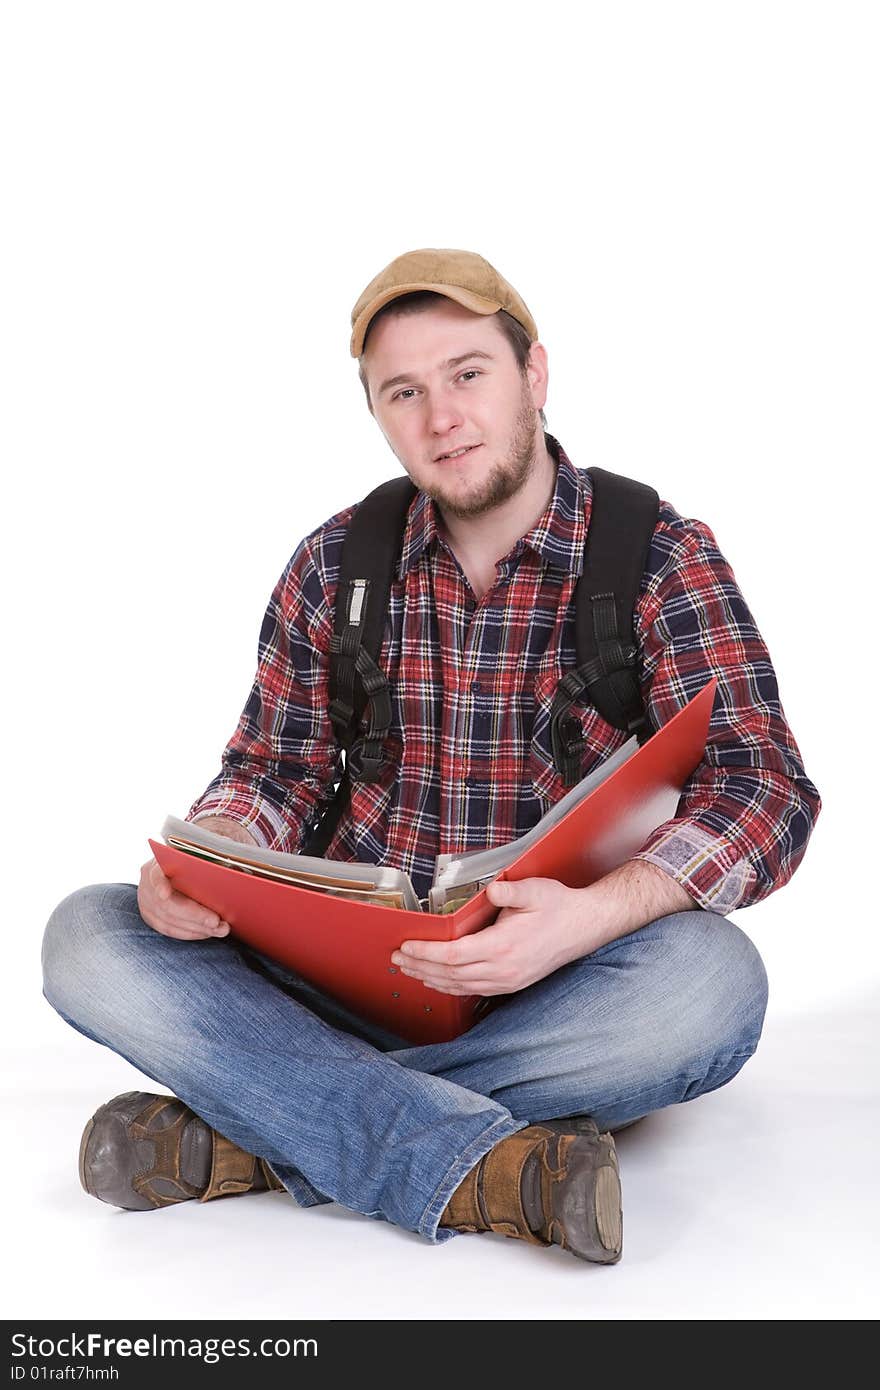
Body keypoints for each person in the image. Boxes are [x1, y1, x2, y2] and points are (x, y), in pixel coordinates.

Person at [42, 248, 821, 1265]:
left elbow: (762, 784)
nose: (440, 417)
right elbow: (275, 769)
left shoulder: (657, 554)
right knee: (88, 935)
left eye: (467, 374)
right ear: (376, 412)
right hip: (330, 977)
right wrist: (219, 854)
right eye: (402, 392)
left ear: (532, 374)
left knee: (710, 986)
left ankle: (250, 1129)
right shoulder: (335, 561)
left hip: (559, 981)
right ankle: (481, 1162)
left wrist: (593, 914)